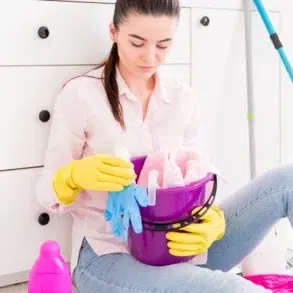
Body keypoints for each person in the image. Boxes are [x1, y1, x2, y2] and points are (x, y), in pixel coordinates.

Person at [35, 0, 293, 292]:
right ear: (113, 32)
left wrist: (213, 219)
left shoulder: (182, 98)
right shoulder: (81, 95)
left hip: (179, 246)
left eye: (163, 45)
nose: (149, 57)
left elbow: (200, 178)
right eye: (137, 42)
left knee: (288, 181)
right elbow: (45, 193)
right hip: (108, 256)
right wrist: (72, 175)